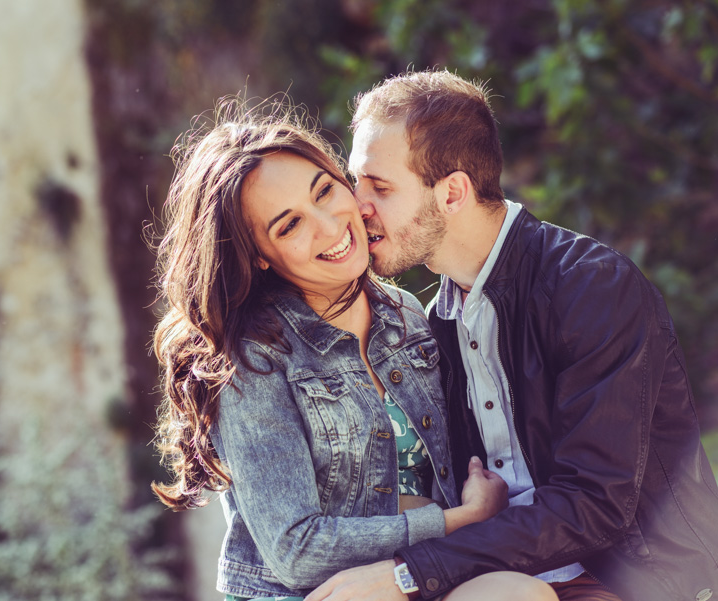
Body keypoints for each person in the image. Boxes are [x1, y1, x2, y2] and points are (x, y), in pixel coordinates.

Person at [305, 69, 718, 601]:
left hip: (634, 581)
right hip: (502, 580)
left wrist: (408, 572)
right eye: (356, 182)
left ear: (452, 192)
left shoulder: (590, 287)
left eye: (379, 188)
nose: (356, 208)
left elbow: (596, 505)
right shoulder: (436, 322)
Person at [149, 97, 558, 601]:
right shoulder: (253, 358)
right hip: (309, 594)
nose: (329, 224)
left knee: (520, 595)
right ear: (258, 256)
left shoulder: (406, 312)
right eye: (289, 225)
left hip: (415, 579)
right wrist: (460, 520)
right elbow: (296, 551)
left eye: (324, 191)